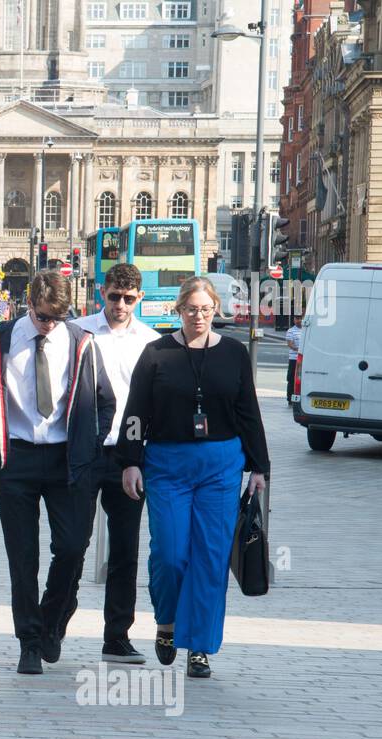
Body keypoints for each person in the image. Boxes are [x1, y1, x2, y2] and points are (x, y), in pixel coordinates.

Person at [116, 276, 271, 679]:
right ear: (178, 310)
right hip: (167, 464)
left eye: (205, 309)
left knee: (210, 557)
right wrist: (130, 462)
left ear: (215, 309)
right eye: (190, 309)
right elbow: (135, 413)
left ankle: (199, 647)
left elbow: (248, 411)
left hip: (221, 466)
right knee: (170, 554)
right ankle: (167, 623)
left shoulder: (235, 354)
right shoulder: (156, 354)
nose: (198, 316)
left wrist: (259, 467)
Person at [0, 271, 114, 675]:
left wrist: (88, 452)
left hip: (67, 460)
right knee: (22, 555)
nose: (50, 325)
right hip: (15, 460)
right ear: (28, 306)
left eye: (57, 319)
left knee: (71, 547)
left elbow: (104, 403)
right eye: (44, 317)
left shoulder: (81, 342)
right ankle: (29, 640)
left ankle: (54, 618)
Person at [72, 263, 160, 663]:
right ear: (101, 293)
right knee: (72, 544)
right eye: (114, 297)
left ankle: (117, 636)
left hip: (130, 454)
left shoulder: (153, 343)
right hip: (87, 451)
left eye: (129, 299)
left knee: (125, 549)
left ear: (139, 298)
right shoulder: (80, 332)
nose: (121, 305)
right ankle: (53, 625)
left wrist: (142, 453)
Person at [285, 313, 303, 405]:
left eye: (300, 318)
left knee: (302, 379)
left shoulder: (306, 330)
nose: (299, 320)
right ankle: (290, 398)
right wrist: (300, 350)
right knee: (291, 378)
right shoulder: (290, 331)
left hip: (304, 359)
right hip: (294, 358)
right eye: (297, 318)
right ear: (294, 320)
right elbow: (290, 344)